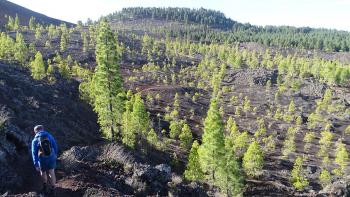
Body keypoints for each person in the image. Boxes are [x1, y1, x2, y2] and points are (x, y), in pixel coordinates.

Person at [31, 125, 58, 195]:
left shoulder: (35, 140)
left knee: (43, 172)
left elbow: (34, 153)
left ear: (35, 131)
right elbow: (55, 146)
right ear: (43, 129)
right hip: (51, 156)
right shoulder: (49, 136)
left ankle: (45, 187)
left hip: (42, 158)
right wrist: (55, 155)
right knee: (52, 172)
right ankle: (53, 190)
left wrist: (36, 164)